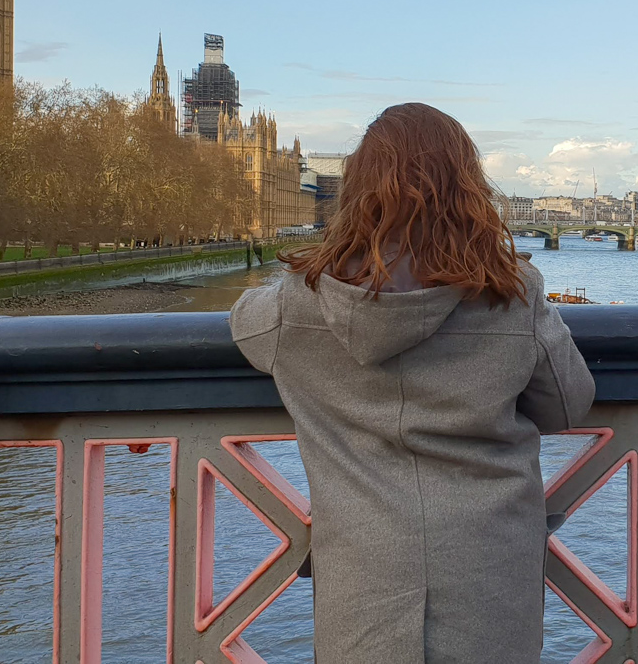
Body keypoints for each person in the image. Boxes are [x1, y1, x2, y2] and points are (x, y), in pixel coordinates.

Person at [230, 103, 595, 663]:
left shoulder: (296, 304)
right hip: (491, 570)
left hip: (362, 577)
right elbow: (569, 403)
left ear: (356, 192)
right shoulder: (512, 293)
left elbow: (243, 323)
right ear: (468, 188)